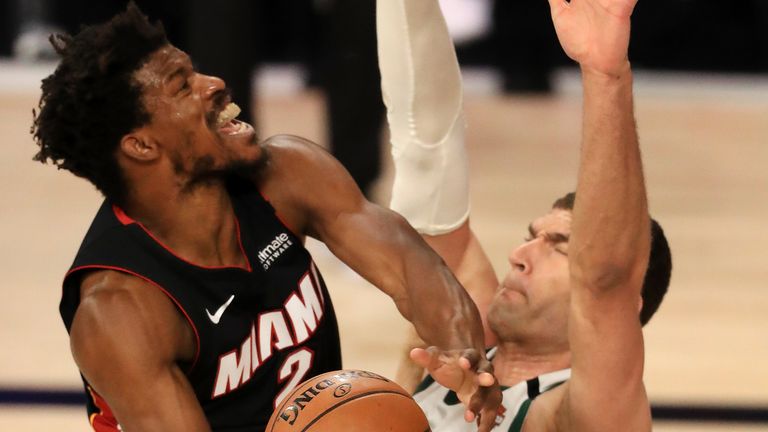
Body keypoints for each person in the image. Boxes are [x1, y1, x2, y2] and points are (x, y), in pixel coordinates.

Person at [30, 3, 502, 431]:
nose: (213, 84)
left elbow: (412, 268)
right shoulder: (120, 310)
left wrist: (464, 356)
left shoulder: (287, 173)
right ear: (141, 145)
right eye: (182, 86)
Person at [377, 0, 671, 430]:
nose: (519, 254)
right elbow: (425, 151)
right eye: (532, 236)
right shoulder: (457, 339)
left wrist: (605, 75)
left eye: (559, 248)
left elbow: (605, 281)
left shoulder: (587, 412)